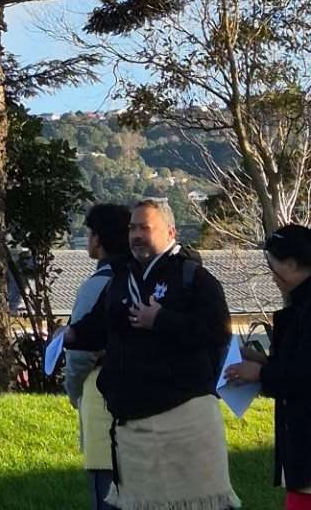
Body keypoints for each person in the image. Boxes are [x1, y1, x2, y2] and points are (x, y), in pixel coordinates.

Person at [67, 198, 237, 510]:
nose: (135, 235)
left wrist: (161, 320)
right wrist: (73, 333)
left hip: (184, 418)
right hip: (132, 428)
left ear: (170, 231)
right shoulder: (121, 278)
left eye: (145, 227)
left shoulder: (194, 277)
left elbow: (217, 332)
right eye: (132, 228)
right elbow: (101, 325)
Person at [222, 222, 311, 509]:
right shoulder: (299, 307)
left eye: (273, 266)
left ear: (292, 264)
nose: (271, 275)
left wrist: (261, 372)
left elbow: (304, 375)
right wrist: (265, 361)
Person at [65, 203, 131, 510]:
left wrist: (73, 392)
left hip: (101, 395)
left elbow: (80, 352)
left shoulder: (96, 285)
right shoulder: (140, 278)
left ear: (97, 239)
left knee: (106, 491)